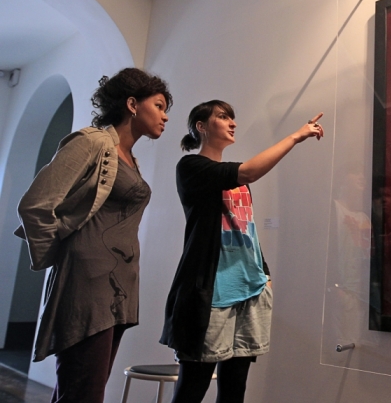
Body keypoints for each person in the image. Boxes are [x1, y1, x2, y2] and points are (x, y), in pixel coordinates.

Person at [14, 68, 172, 403]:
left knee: (84, 387)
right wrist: (63, 254)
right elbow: (35, 206)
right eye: (159, 105)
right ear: (132, 104)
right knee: (84, 390)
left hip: (120, 285)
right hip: (90, 282)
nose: (165, 116)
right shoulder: (93, 143)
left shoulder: (130, 158)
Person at [160, 100, 324, 403]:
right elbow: (248, 172)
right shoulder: (192, 167)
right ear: (201, 126)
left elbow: (245, 230)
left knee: (235, 387)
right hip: (212, 292)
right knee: (193, 386)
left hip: (250, 290)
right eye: (223, 117)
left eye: (232, 117)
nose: (232, 123)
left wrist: (265, 272)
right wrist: (295, 136)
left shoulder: (236, 181)